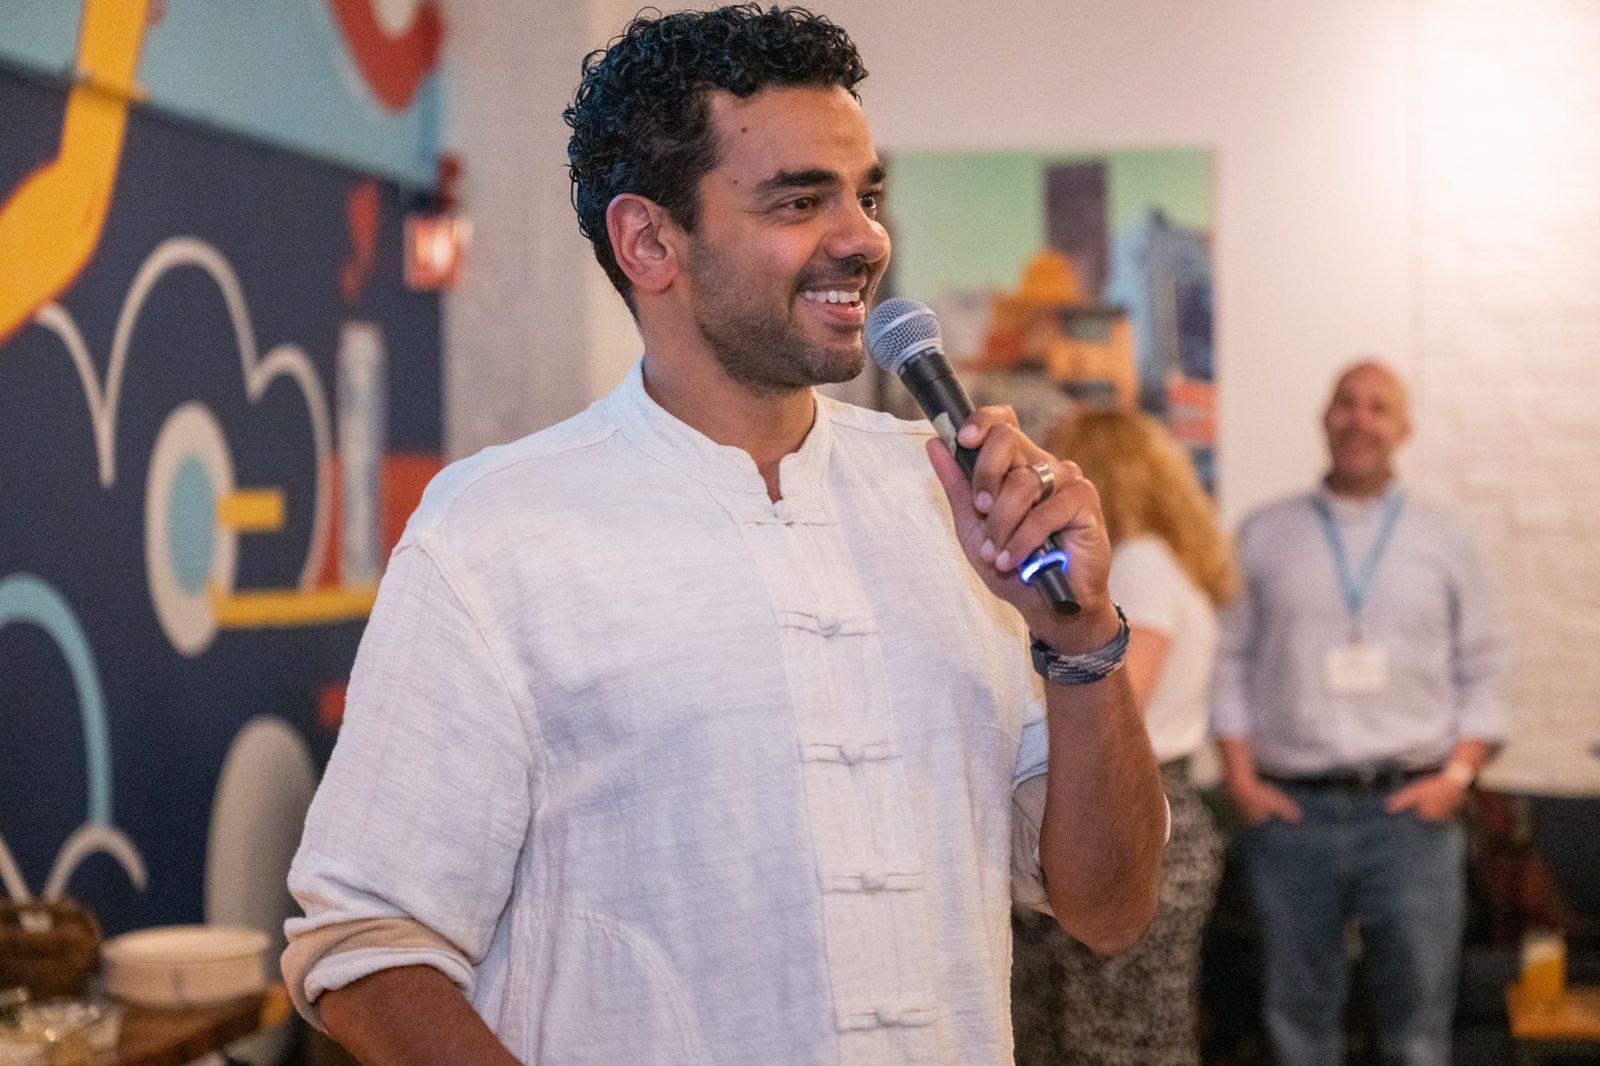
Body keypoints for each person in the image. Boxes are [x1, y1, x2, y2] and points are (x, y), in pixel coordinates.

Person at [280, 6, 1168, 1064]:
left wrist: (1082, 643)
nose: (865, 238)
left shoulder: (949, 503)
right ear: (649, 241)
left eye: (865, 194)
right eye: (801, 200)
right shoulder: (496, 531)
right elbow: (369, 941)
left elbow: (1109, 910)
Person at [1211, 359, 1510, 1066]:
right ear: (1325, 416)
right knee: (1296, 1021)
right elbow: (1229, 664)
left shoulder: (1445, 538)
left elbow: (1487, 666)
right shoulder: (1264, 533)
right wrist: (1242, 783)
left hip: (1410, 815)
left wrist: (1458, 779)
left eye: (1379, 407)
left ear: (1402, 429)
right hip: (1290, 817)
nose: (1359, 419)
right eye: (1347, 403)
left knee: (1417, 1027)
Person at [1011, 410, 1232, 1066]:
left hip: (1132, 816)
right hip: (1171, 807)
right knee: (1136, 1034)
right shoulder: (1170, 563)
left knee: (1108, 1041)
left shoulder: (1137, 566)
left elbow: (1114, 704)